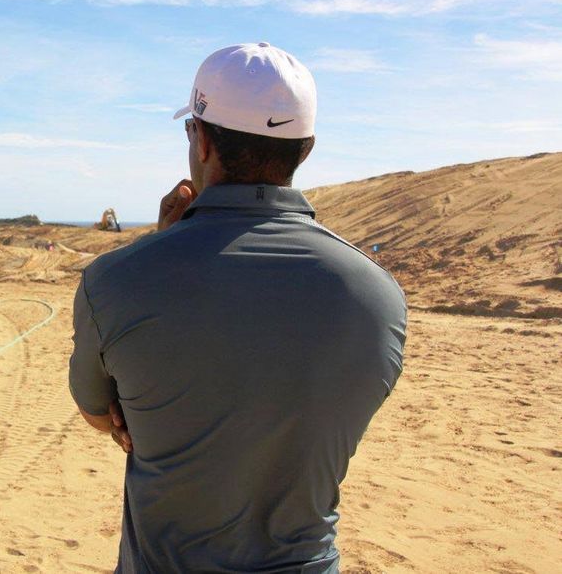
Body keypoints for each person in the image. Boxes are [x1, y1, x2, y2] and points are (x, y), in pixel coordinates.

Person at [68, 43, 406, 573]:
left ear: (201, 141)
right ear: (306, 149)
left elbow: (100, 411)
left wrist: (161, 252)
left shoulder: (114, 280)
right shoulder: (376, 293)